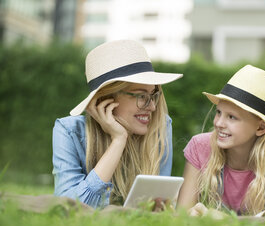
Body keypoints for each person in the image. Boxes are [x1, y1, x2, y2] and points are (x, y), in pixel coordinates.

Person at [52, 40, 182, 208]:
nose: (152, 106)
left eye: (153, 94)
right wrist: (118, 140)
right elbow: (69, 207)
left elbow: (158, 205)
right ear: (106, 99)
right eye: (141, 96)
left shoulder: (160, 125)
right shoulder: (69, 131)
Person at [177, 65, 265, 216]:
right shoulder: (200, 147)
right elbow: (181, 215)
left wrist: (225, 222)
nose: (218, 123)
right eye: (219, 112)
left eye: (232, 117)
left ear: (261, 127)